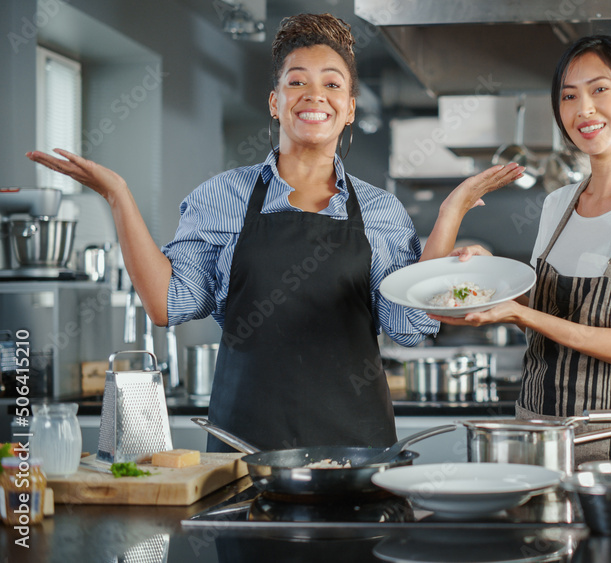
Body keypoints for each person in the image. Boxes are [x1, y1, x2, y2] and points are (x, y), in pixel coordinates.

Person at [27, 13, 522, 452]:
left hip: (356, 449)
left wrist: (449, 215)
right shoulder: (221, 197)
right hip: (245, 449)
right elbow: (166, 303)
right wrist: (118, 195)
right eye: (296, 81)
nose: (314, 96)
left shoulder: (379, 209)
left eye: (332, 85)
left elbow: (407, 324)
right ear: (274, 101)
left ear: (349, 107)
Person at [433, 35, 611, 463]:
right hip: (534, 430)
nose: (583, 108)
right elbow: (545, 319)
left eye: (599, 89)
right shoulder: (557, 205)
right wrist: (492, 277)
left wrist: (520, 311)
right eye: (569, 96)